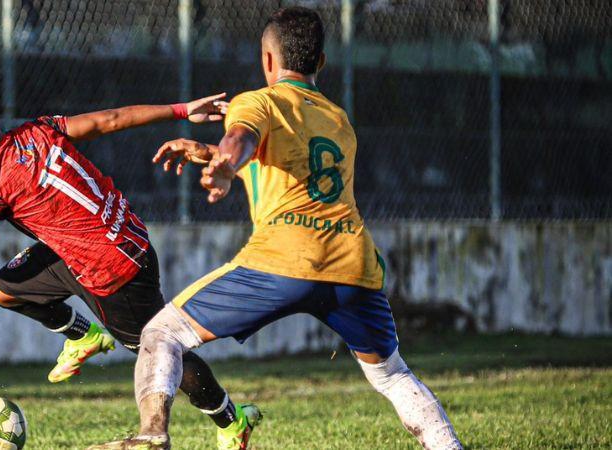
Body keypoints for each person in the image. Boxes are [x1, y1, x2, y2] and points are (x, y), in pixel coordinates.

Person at [90, 7, 462, 450]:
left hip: (282, 261)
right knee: (392, 373)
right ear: (321, 62)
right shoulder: (339, 120)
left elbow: (244, 139)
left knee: (160, 333)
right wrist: (211, 154)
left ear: (267, 60)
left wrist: (225, 163)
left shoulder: (258, 101)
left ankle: (152, 435)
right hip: (352, 265)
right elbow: (289, 168)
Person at [0, 94, 255, 447]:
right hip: (107, 245)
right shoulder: (40, 129)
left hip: (114, 273)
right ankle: (83, 336)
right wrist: (181, 109)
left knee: (160, 353)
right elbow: (108, 121)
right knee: (3, 289)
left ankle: (232, 420)